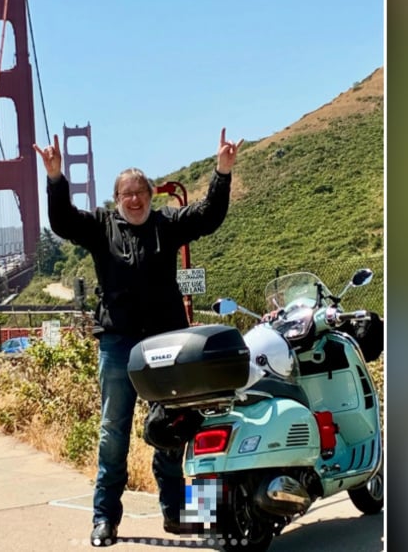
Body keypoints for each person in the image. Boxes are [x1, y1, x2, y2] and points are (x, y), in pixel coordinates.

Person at [33, 129, 243, 547]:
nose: (135, 199)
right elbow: (62, 221)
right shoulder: (99, 227)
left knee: (175, 425)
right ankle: (104, 518)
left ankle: (178, 513)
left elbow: (208, 216)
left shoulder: (167, 224)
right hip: (119, 342)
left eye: (141, 192)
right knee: (114, 431)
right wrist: (55, 178)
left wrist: (222, 172)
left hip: (168, 344)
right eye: (126, 193)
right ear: (116, 199)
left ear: (150, 195)